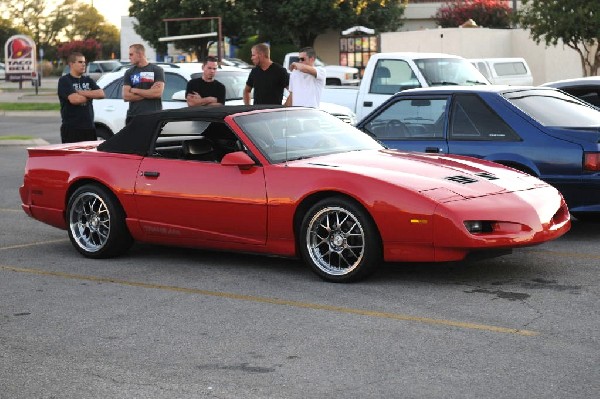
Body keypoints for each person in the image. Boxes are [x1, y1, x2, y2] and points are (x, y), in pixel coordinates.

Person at [57, 52, 105, 143]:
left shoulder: (88, 80)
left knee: (88, 156)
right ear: (71, 64)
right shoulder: (64, 81)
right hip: (71, 129)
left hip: (89, 127)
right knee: (72, 157)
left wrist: (80, 92)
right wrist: (91, 95)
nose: (83, 64)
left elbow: (101, 94)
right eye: (80, 62)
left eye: (84, 62)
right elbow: (74, 100)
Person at [123, 44, 165, 124]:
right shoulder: (129, 72)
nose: (129, 57)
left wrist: (134, 90)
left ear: (140, 54)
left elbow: (157, 93)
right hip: (133, 117)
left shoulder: (157, 70)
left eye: (131, 54)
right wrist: (149, 92)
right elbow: (126, 96)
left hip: (153, 116)